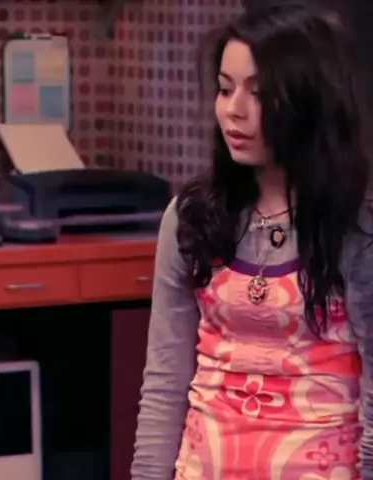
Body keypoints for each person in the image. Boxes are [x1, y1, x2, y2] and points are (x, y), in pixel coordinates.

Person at [131, 2, 373, 479]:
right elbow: (164, 383)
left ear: (308, 102)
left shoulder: (356, 229)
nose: (233, 111)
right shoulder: (191, 218)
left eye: (258, 93)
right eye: (225, 89)